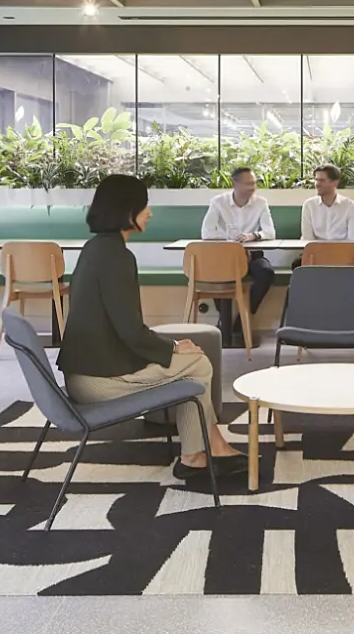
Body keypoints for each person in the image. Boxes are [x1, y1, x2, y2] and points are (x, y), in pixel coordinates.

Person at [61, 174, 246, 479]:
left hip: (87, 371)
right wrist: (173, 347)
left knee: (191, 366)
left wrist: (171, 349)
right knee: (198, 364)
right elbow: (131, 331)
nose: (150, 212)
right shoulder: (116, 256)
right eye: (143, 206)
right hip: (99, 381)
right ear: (125, 210)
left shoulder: (96, 249)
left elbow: (123, 328)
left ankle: (202, 451)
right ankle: (201, 452)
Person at [201, 166, 276, 334]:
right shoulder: (218, 202)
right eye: (248, 183)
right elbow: (206, 233)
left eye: (254, 183)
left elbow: (270, 232)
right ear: (235, 183)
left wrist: (253, 236)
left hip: (253, 255)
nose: (252, 188)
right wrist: (232, 241)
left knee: (266, 272)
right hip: (224, 255)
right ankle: (224, 320)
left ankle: (243, 319)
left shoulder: (261, 203)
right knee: (215, 273)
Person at [300, 164, 354, 242]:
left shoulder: (350, 206)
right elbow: (307, 239)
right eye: (316, 180)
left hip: (343, 252)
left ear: (335, 183)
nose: (317, 184)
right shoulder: (309, 205)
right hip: (315, 252)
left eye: (321, 180)